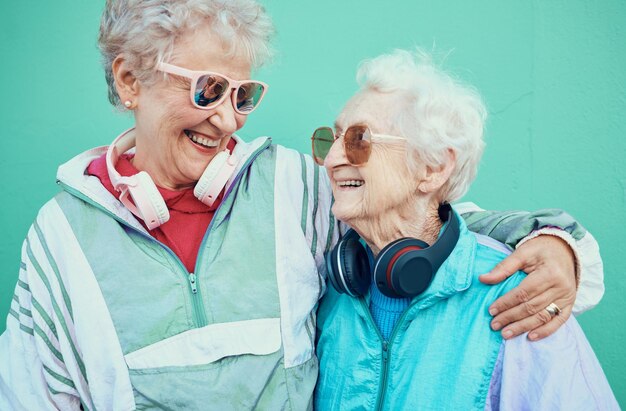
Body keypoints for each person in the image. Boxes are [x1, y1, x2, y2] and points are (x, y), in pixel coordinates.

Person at [0, 1, 604, 409]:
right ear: (130, 81)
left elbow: (427, 225)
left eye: (243, 95)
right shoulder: (59, 240)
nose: (226, 116)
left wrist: (558, 243)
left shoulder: (294, 188)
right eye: (208, 88)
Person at [313, 49, 618, 410]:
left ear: (433, 167)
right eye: (329, 138)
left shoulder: (523, 298)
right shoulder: (331, 286)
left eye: (359, 140)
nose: (332, 160)